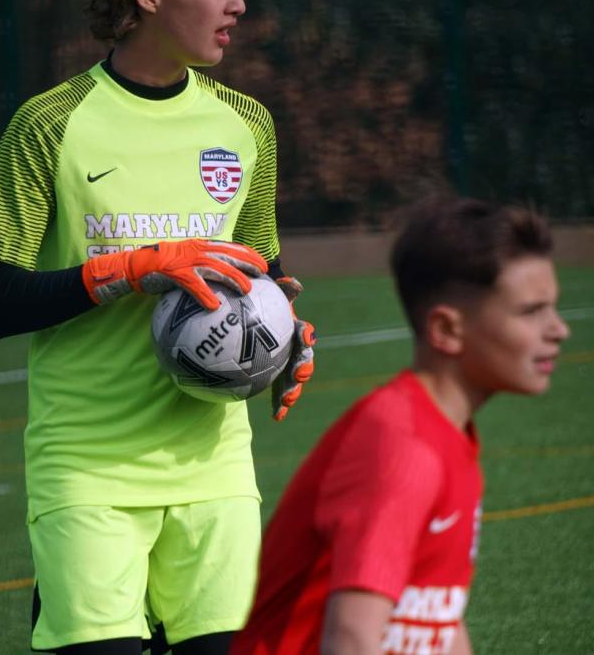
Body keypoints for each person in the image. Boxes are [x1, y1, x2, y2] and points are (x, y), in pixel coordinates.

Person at [0, 0, 315, 654]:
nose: (240, 3)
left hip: (214, 470)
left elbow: (263, 272)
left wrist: (287, 337)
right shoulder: (50, 126)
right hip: (89, 468)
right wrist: (125, 270)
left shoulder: (245, 126)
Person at [232, 196, 570, 655]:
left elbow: (438, 621)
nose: (559, 330)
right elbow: (351, 640)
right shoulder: (403, 446)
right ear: (446, 330)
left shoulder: (446, 437)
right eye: (531, 312)